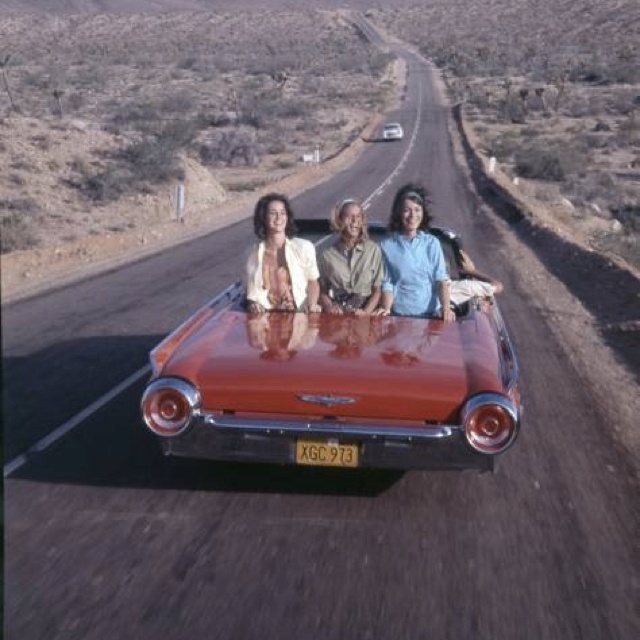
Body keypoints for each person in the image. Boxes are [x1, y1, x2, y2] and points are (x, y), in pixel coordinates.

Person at [377, 184, 455, 322]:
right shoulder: (386, 245)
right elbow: (388, 283)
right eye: (407, 210)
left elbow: (441, 280)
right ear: (398, 213)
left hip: (432, 317)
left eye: (417, 209)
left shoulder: (432, 243)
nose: (413, 215)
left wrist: (446, 309)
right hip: (399, 318)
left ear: (423, 212)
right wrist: (386, 308)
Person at [245, 193, 321, 314]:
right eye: (273, 213)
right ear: (263, 218)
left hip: (299, 317)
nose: (279, 217)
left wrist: (312, 305)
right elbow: (250, 291)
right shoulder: (252, 254)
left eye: (282, 212)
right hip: (266, 321)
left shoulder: (304, 247)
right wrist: (253, 304)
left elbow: (313, 282)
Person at [318, 198, 383, 315]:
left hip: (365, 319)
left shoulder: (373, 250)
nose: (355, 221)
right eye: (349, 216)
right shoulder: (326, 256)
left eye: (358, 216)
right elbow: (322, 292)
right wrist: (329, 306)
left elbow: (377, 291)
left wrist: (365, 313)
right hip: (339, 319)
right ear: (339, 220)